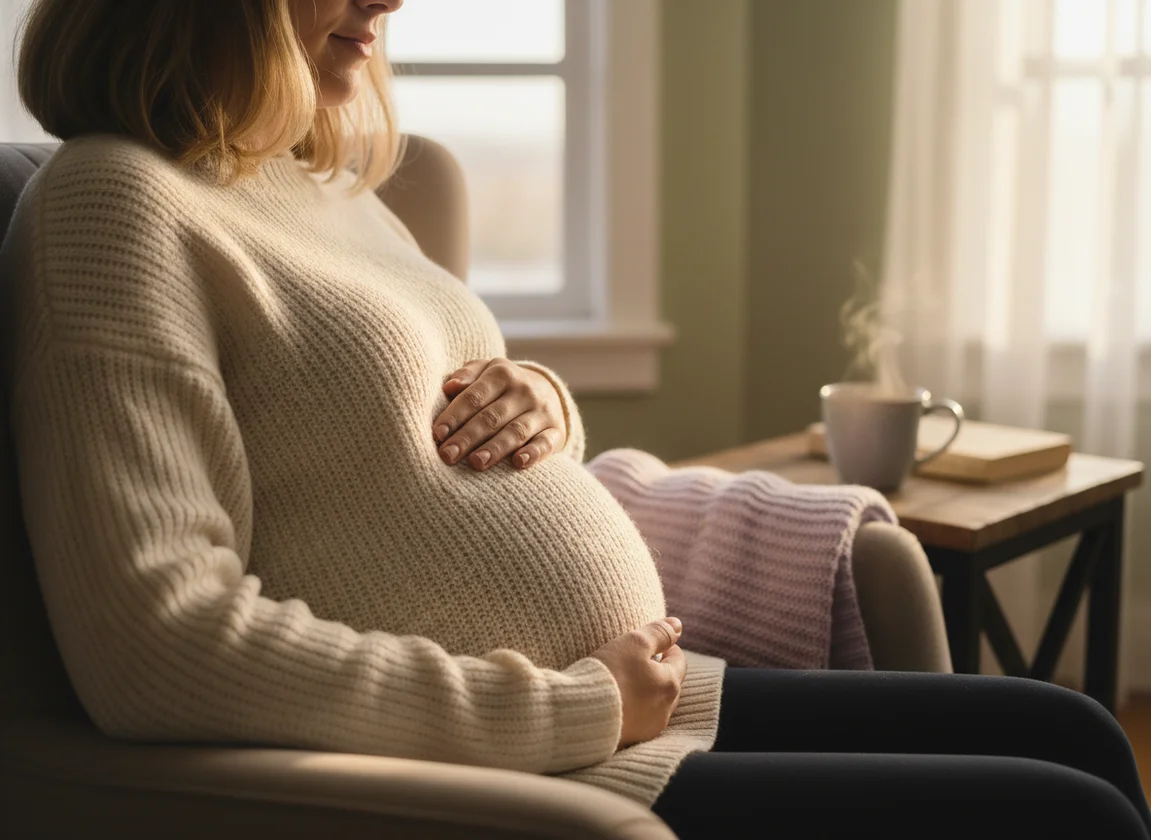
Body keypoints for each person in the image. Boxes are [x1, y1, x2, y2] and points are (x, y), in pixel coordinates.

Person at [3, 1, 1148, 837]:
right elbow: (161, 647)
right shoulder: (115, 205)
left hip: (640, 714)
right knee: (1069, 815)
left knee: (1079, 735)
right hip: (553, 772)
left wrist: (539, 399)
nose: (392, 2)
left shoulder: (301, 184)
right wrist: (570, 708)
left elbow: (414, 428)